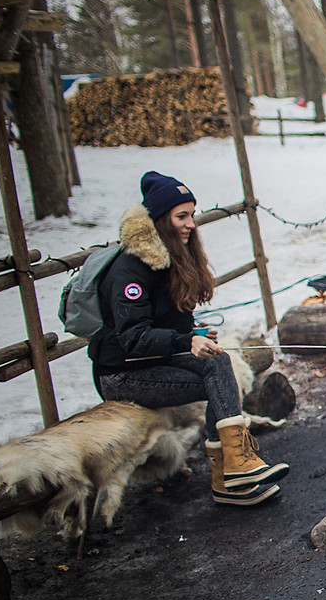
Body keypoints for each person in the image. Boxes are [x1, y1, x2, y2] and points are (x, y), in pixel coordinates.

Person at [90, 171, 288, 506]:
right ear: (160, 220)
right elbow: (134, 338)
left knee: (218, 363)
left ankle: (232, 472)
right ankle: (231, 472)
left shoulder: (172, 257)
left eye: (192, 215)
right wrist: (185, 343)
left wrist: (195, 334)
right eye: (181, 216)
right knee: (218, 379)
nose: (190, 224)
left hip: (156, 362)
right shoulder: (129, 270)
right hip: (122, 374)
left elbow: (170, 323)